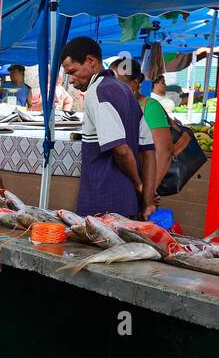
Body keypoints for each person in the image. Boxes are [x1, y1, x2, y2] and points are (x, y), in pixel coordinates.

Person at [59, 36, 156, 220]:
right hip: (128, 205)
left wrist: (138, 183)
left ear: (91, 61)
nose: (71, 80)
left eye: (73, 72)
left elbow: (121, 150)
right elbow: (148, 150)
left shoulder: (97, 92)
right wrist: (148, 199)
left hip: (103, 205)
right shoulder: (125, 90)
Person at [118, 62, 175, 198]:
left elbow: (164, 151)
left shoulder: (150, 107)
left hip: (143, 184)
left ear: (134, 83)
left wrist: (149, 192)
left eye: (119, 84)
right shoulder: (121, 105)